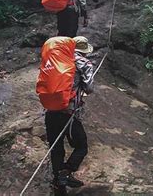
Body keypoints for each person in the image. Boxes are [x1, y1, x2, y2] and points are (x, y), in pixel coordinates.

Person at [46, 36, 95, 195]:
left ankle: (58, 184)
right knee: (81, 146)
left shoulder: (57, 60)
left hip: (51, 111)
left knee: (56, 147)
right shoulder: (84, 63)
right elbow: (88, 88)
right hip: (68, 114)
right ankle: (65, 173)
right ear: (84, 51)